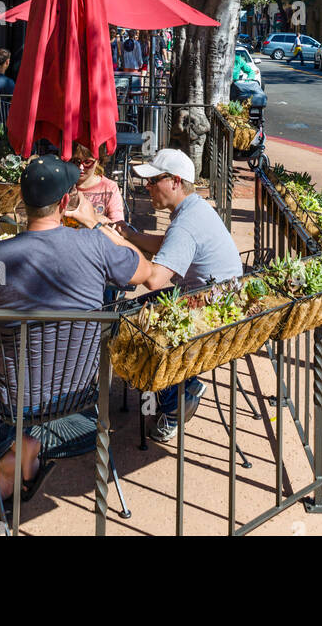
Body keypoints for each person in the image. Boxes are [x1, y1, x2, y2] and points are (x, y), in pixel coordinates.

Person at [0, 154, 151, 513]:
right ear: (65, 203)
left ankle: (13, 450)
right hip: (81, 392)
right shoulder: (95, 245)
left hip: (16, 395)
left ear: (23, 202)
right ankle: (21, 449)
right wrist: (99, 225)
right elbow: (144, 271)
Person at [111, 148, 243, 443]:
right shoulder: (194, 208)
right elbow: (170, 244)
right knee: (130, 313)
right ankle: (185, 386)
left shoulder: (185, 224)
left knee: (130, 326)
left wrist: (118, 243)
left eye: (153, 180)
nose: (147, 187)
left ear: (175, 181)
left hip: (212, 315)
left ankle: (176, 402)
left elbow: (154, 280)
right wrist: (131, 235)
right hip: (217, 301)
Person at [73, 143, 125, 222]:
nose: (81, 167)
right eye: (76, 162)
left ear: (98, 161)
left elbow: (117, 224)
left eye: (87, 162)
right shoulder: (64, 184)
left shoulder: (109, 188)